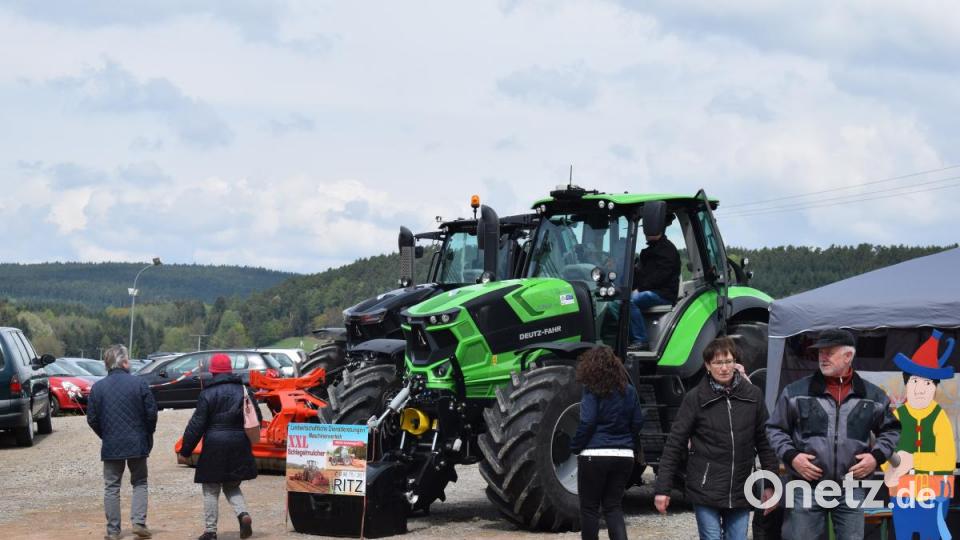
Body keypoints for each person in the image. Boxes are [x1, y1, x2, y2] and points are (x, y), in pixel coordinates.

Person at [766, 329, 901, 540]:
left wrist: (875, 458)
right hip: (806, 484)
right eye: (821, 352)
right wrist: (793, 456)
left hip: (852, 486)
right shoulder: (795, 392)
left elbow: (891, 430)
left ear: (848, 356)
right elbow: (775, 429)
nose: (822, 357)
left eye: (829, 352)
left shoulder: (873, 396)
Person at [653, 336, 778, 540]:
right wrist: (662, 489)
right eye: (718, 363)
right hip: (705, 488)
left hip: (740, 488)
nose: (724, 368)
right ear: (707, 366)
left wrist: (771, 484)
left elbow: (765, 443)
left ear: (735, 363)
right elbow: (674, 444)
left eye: (728, 361)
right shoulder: (695, 398)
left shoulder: (753, 395)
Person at [178, 353, 260, 540]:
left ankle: (210, 531)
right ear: (230, 370)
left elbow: (196, 425)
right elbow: (256, 419)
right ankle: (243, 514)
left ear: (213, 372)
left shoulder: (207, 393)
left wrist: (185, 451)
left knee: (210, 488)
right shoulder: (244, 390)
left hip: (214, 445)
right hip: (239, 443)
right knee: (232, 485)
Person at [569, 346, 644, 540]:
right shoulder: (629, 390)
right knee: (613, 507)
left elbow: (588, 421)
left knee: (589, 509)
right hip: (624, 456)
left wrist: (576, 446)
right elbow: (637, 422)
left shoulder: (591, 389)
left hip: (595, 455)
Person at [86, 344, 158, 540]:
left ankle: (113, 531)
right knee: (140, 482)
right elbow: (151, 413)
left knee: (112, 487)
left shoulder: (98, 387)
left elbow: (91, 418)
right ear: (124, 362)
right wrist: (147, 434)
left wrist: (105, 434)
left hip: (111, 443)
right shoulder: (140, 384)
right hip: (137, 441)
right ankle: (138, 522)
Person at [628, 225, 680, 351]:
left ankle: (641, 340)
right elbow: (642, 275)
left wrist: (639, 288)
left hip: (663, 294)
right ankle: (625, 338)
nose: (646, 232)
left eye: (650, 228)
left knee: (630, 301)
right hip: (648, 290)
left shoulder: (668, 250)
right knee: (616, 302)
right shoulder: (648, 251)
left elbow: (660, 276)